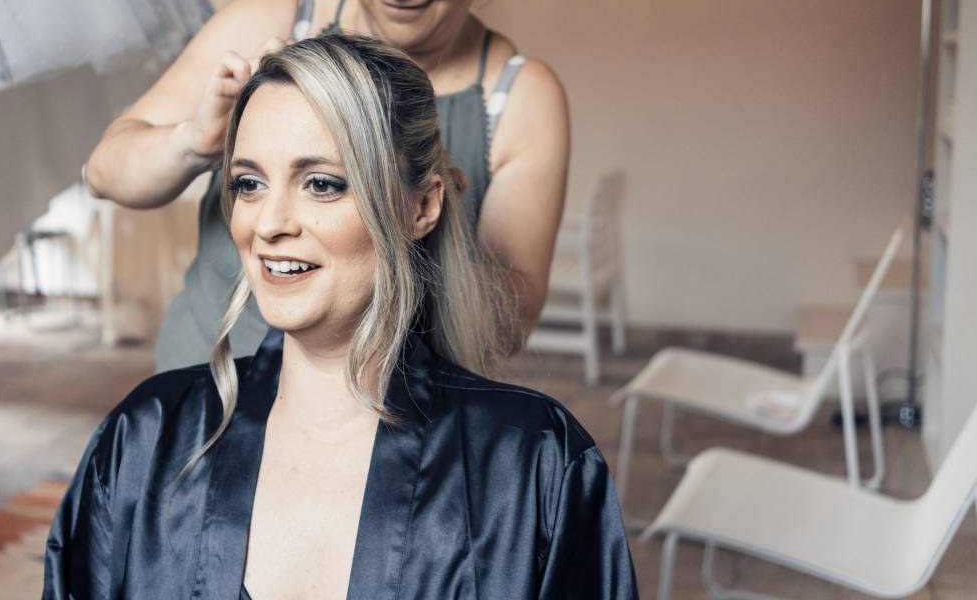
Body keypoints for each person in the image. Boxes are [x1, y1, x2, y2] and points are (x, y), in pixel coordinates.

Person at [45, 35, 636, 600]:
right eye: (248, 183)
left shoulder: (533, 462)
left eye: (322, 184)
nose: (268, 223)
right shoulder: (145, 437)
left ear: (421, 206)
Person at [83, 0, 570, 371]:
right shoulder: (276, 14)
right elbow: (104, 171)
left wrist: (405, 210)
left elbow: (510, 324)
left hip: (392, 410)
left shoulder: (522, 97)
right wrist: (194, 142)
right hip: (208, 384)